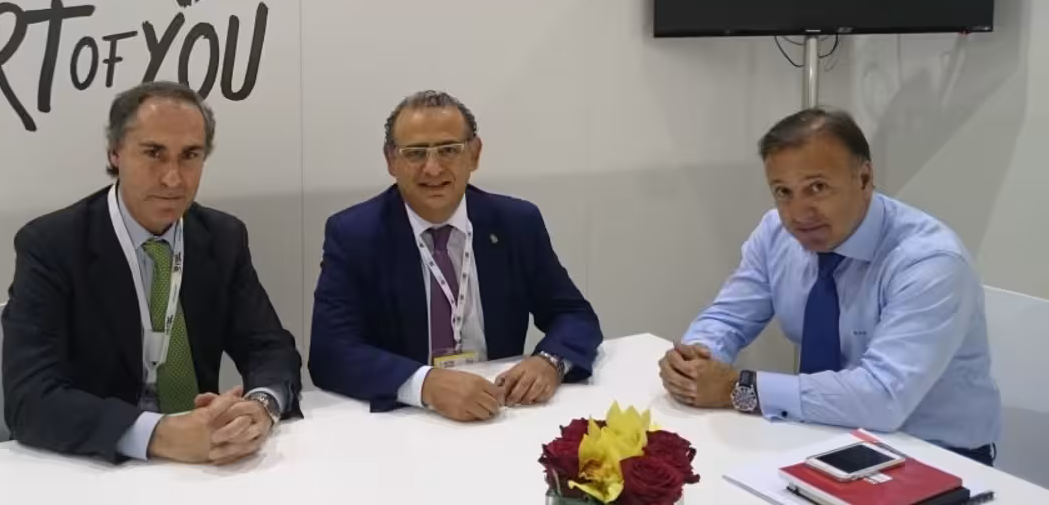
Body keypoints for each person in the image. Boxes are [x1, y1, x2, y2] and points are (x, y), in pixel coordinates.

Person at [660, 108, 1000, 464]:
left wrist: (736, 388)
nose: (798, 213)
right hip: (825, 435)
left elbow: (882, 397)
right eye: (783, 192)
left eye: (817, 188)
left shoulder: (929, 261)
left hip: (934, 454)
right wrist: (695, 361)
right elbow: (727, 318)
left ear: (864, 179)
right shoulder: (775, 234)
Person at [2, 81, 302, 464]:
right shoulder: (52, 245)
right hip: (97, 466)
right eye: (154, 153)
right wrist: (158, 434)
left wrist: (260, 407)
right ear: (115, 153)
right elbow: (30, 398)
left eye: (190, 155)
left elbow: (270, 348)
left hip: (204, 462)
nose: (173, 178)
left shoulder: (222, 238)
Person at [309, 90, 603, 421]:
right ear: (391, 160)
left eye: (449, 150)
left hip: (500, 411)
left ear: (474, 154)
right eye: (415, 153)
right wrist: (424, 384)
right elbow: (330, 352)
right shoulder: (355, 234)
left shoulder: (516, 223)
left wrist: (550, 361)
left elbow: (573, 314)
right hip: (407, 420)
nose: (433, 169)